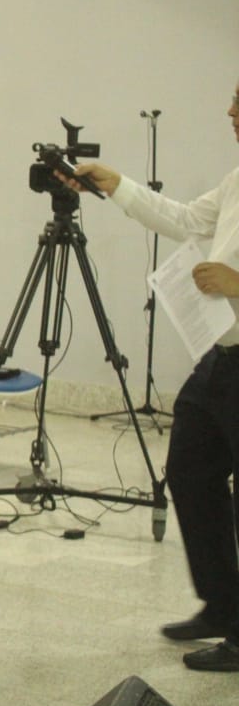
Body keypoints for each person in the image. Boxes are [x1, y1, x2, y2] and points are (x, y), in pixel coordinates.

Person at [60, 80, 239, 673]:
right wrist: (120, 186)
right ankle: (223, 604)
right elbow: (186, 219)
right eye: (232, 101)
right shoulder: (237, 178)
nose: (230, 112)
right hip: (225, 354)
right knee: (189, 468)